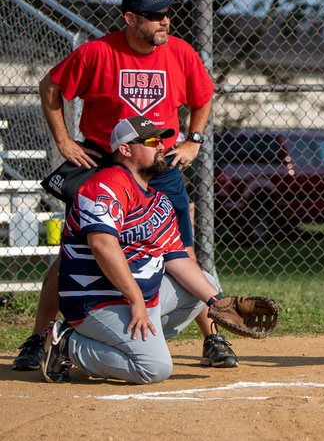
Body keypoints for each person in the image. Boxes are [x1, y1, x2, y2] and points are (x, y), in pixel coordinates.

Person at [13, 0, 238, 371]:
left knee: (180, 250)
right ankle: (41, 337)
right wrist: (64, 140)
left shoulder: (180, 53)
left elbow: (203, 95)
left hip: (158, 161)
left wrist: (194, 141)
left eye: (167, 14)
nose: (164, 21)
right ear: (130, 18)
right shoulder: (97, 53)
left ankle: (212, 338)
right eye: (153, 16)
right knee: (74, 251)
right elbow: (50, 86)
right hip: (103, 160)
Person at [42, 116, 229, 384]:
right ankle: (67, 344)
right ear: (125, 149)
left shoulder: (158, 200)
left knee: (204, 285)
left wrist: (218, 302)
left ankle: (127, 341)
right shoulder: (105, 184)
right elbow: (102, 244)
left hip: (134, 298)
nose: (161, 147)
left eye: (162, 141)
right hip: (96, 301)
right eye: (152, 141)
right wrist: (136, 299)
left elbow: (177, 259)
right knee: (154, 369)